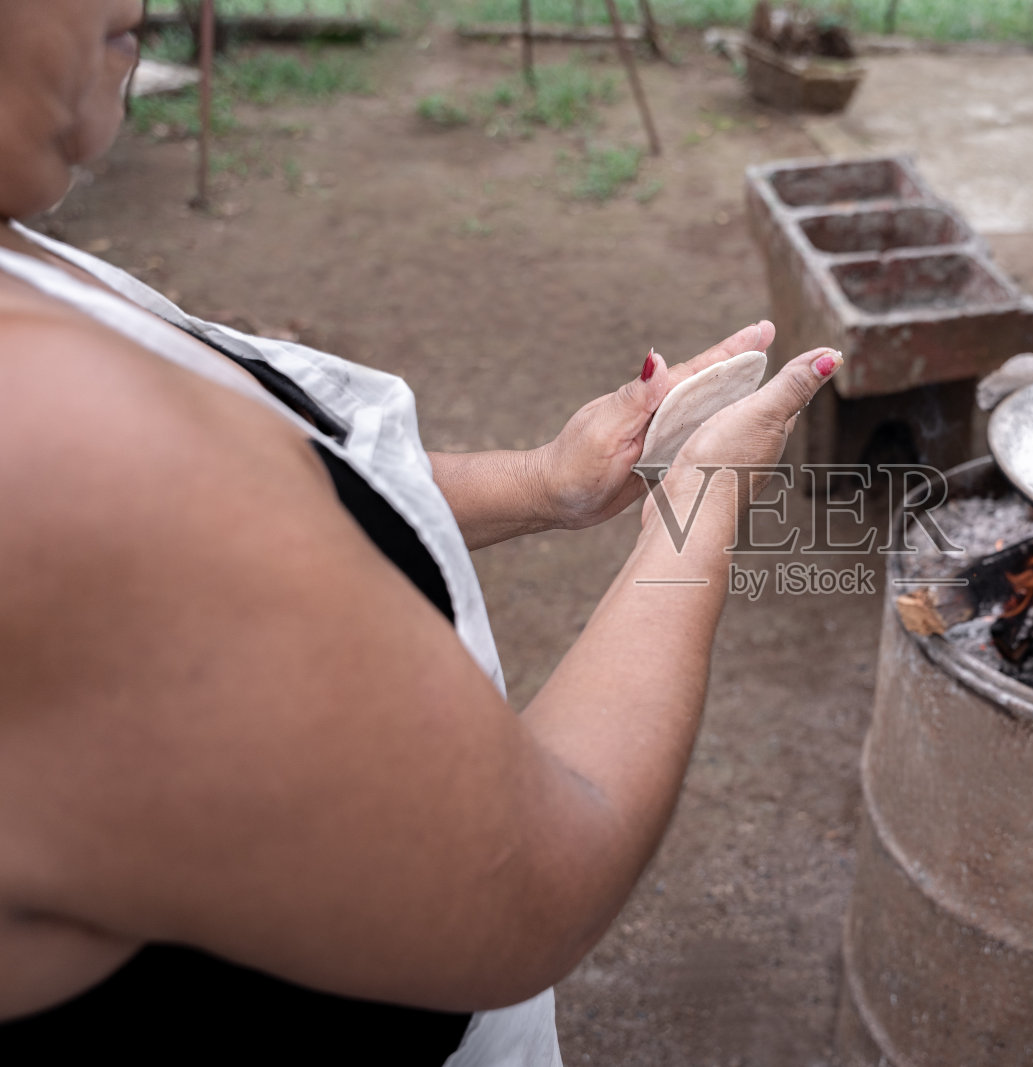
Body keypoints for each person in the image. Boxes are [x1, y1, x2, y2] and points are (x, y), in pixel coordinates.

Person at [0, 3, 841, 1062]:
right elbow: (544, 876)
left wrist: (544, 483)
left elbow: (300, 515)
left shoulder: (17, 252)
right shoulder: (47, 450)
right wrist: (706, 493)